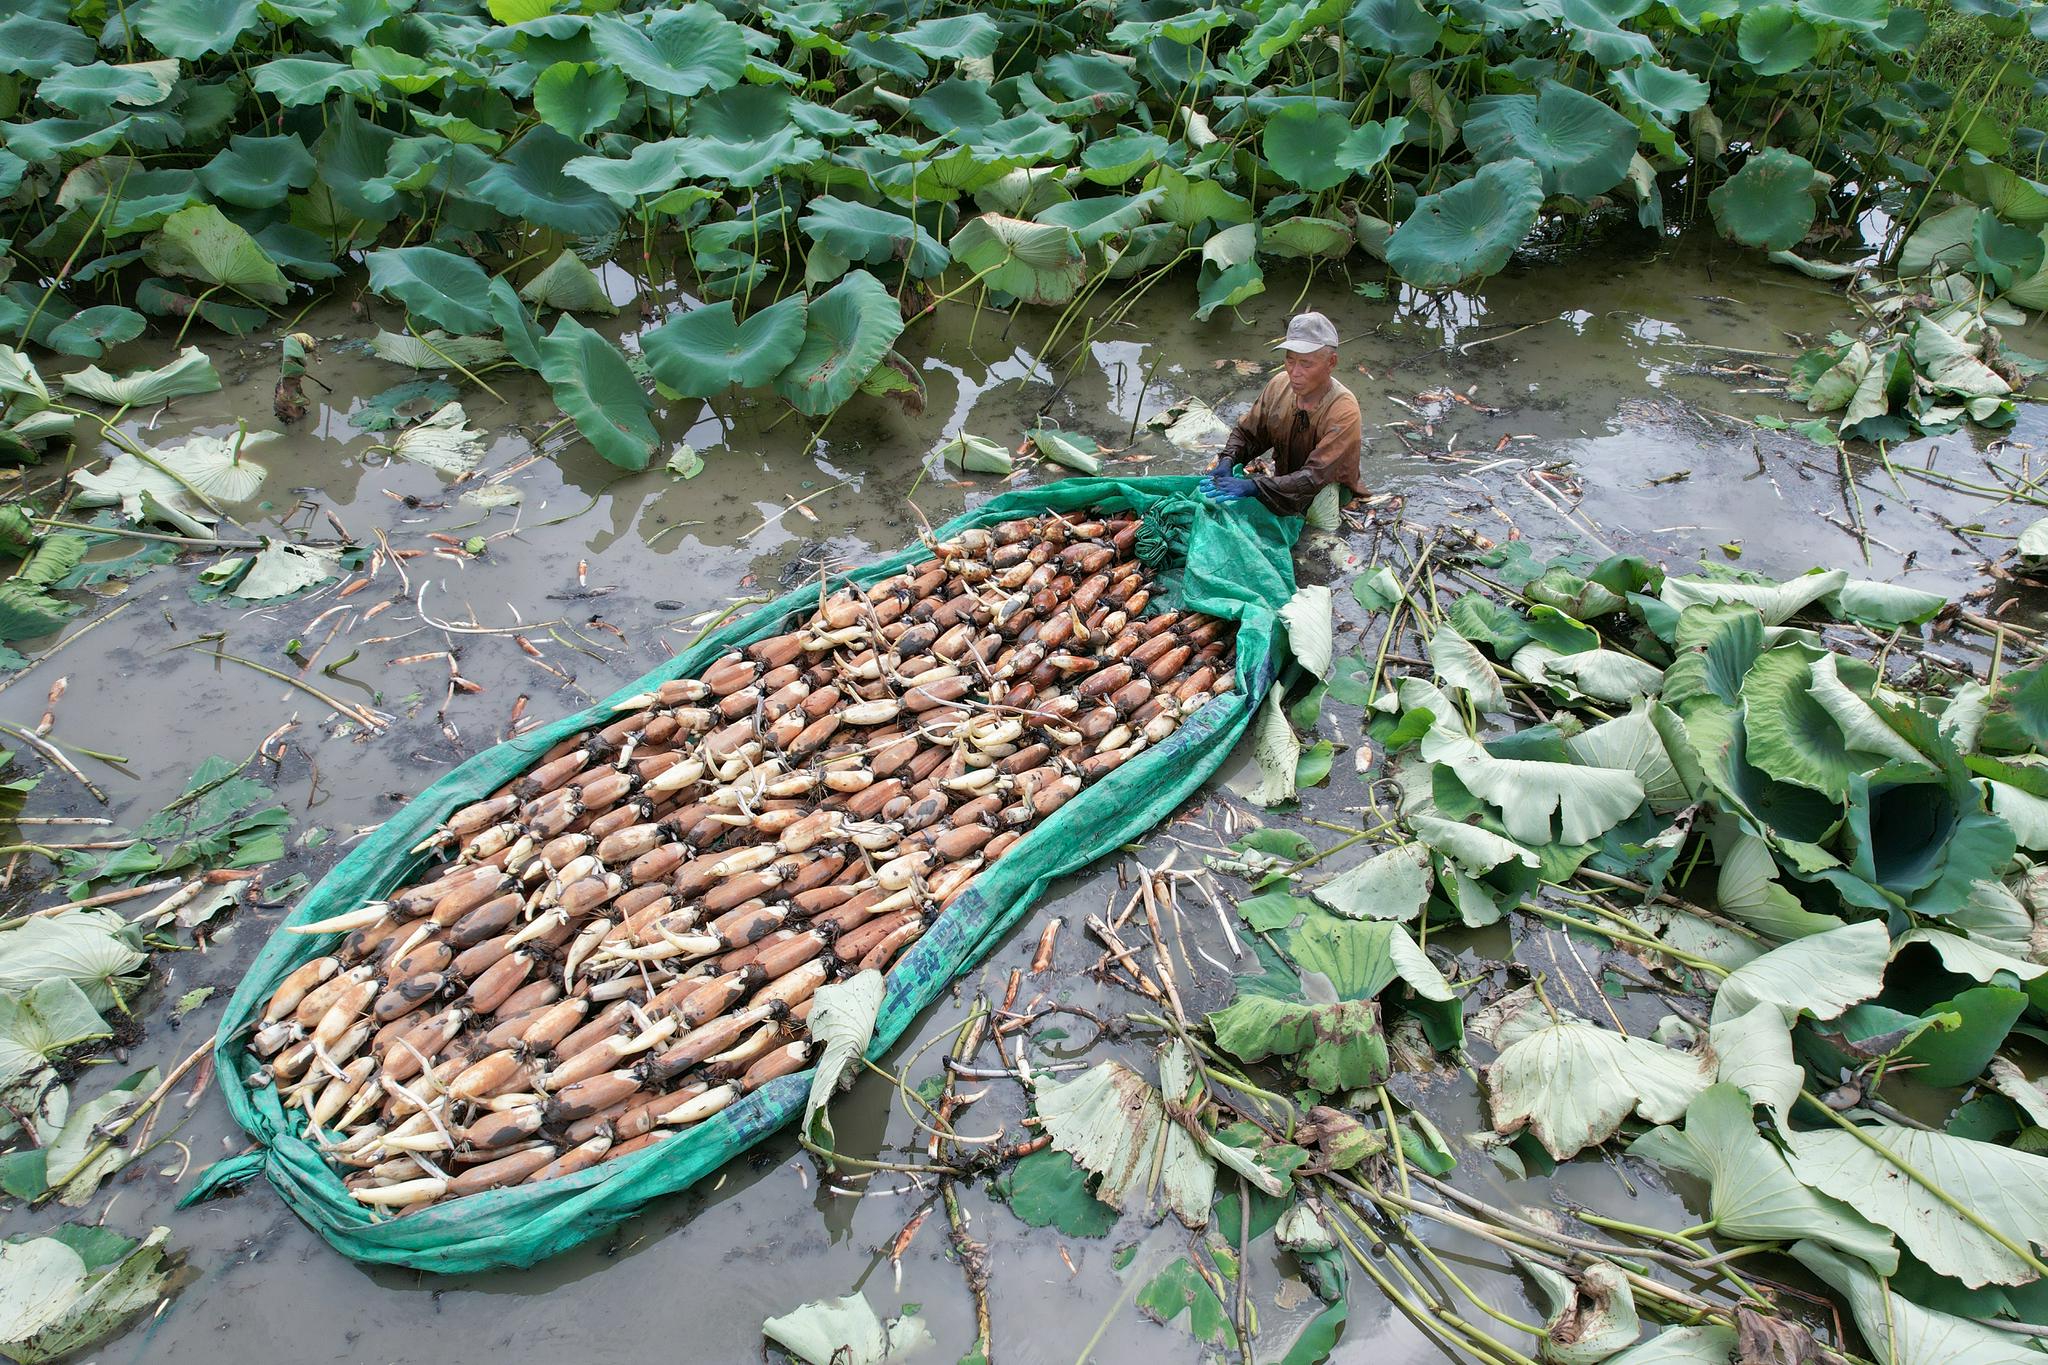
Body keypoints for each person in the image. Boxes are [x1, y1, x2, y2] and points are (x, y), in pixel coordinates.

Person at [1198, 311, 1365, 517]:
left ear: (1331, 362)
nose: (1295, 372)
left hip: (1326, 497)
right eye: (1290, 360)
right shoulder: (1279, 385)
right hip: (1282, 486)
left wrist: (1254, 487)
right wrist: (1227, 461)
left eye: (1306, 364)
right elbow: (1247, 434)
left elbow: (1313, 477)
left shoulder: (1344, 410)